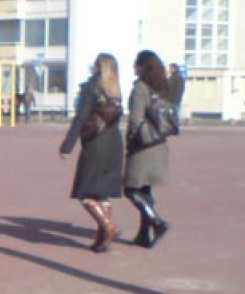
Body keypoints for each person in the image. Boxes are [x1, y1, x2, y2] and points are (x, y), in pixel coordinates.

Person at [59, 53, 125, 252]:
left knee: (85, 192)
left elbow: (80, 117)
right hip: (114, 143)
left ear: (98, 67)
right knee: (103, 193)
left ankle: (108, 226)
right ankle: (103, 237)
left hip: (96, 144)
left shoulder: (91, 88)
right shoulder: (115, 90)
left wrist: (67, 145)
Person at [124, 49, 174, 248]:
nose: (133, 67)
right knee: (145, 189)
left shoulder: (141, 88)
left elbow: (135, 120)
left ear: (142, 67)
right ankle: (143, 235)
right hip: (160, 143)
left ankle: (157, 222)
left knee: (131, 189)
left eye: (136, 64)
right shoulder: (162, 87)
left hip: (143, 145)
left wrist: (130, 141)